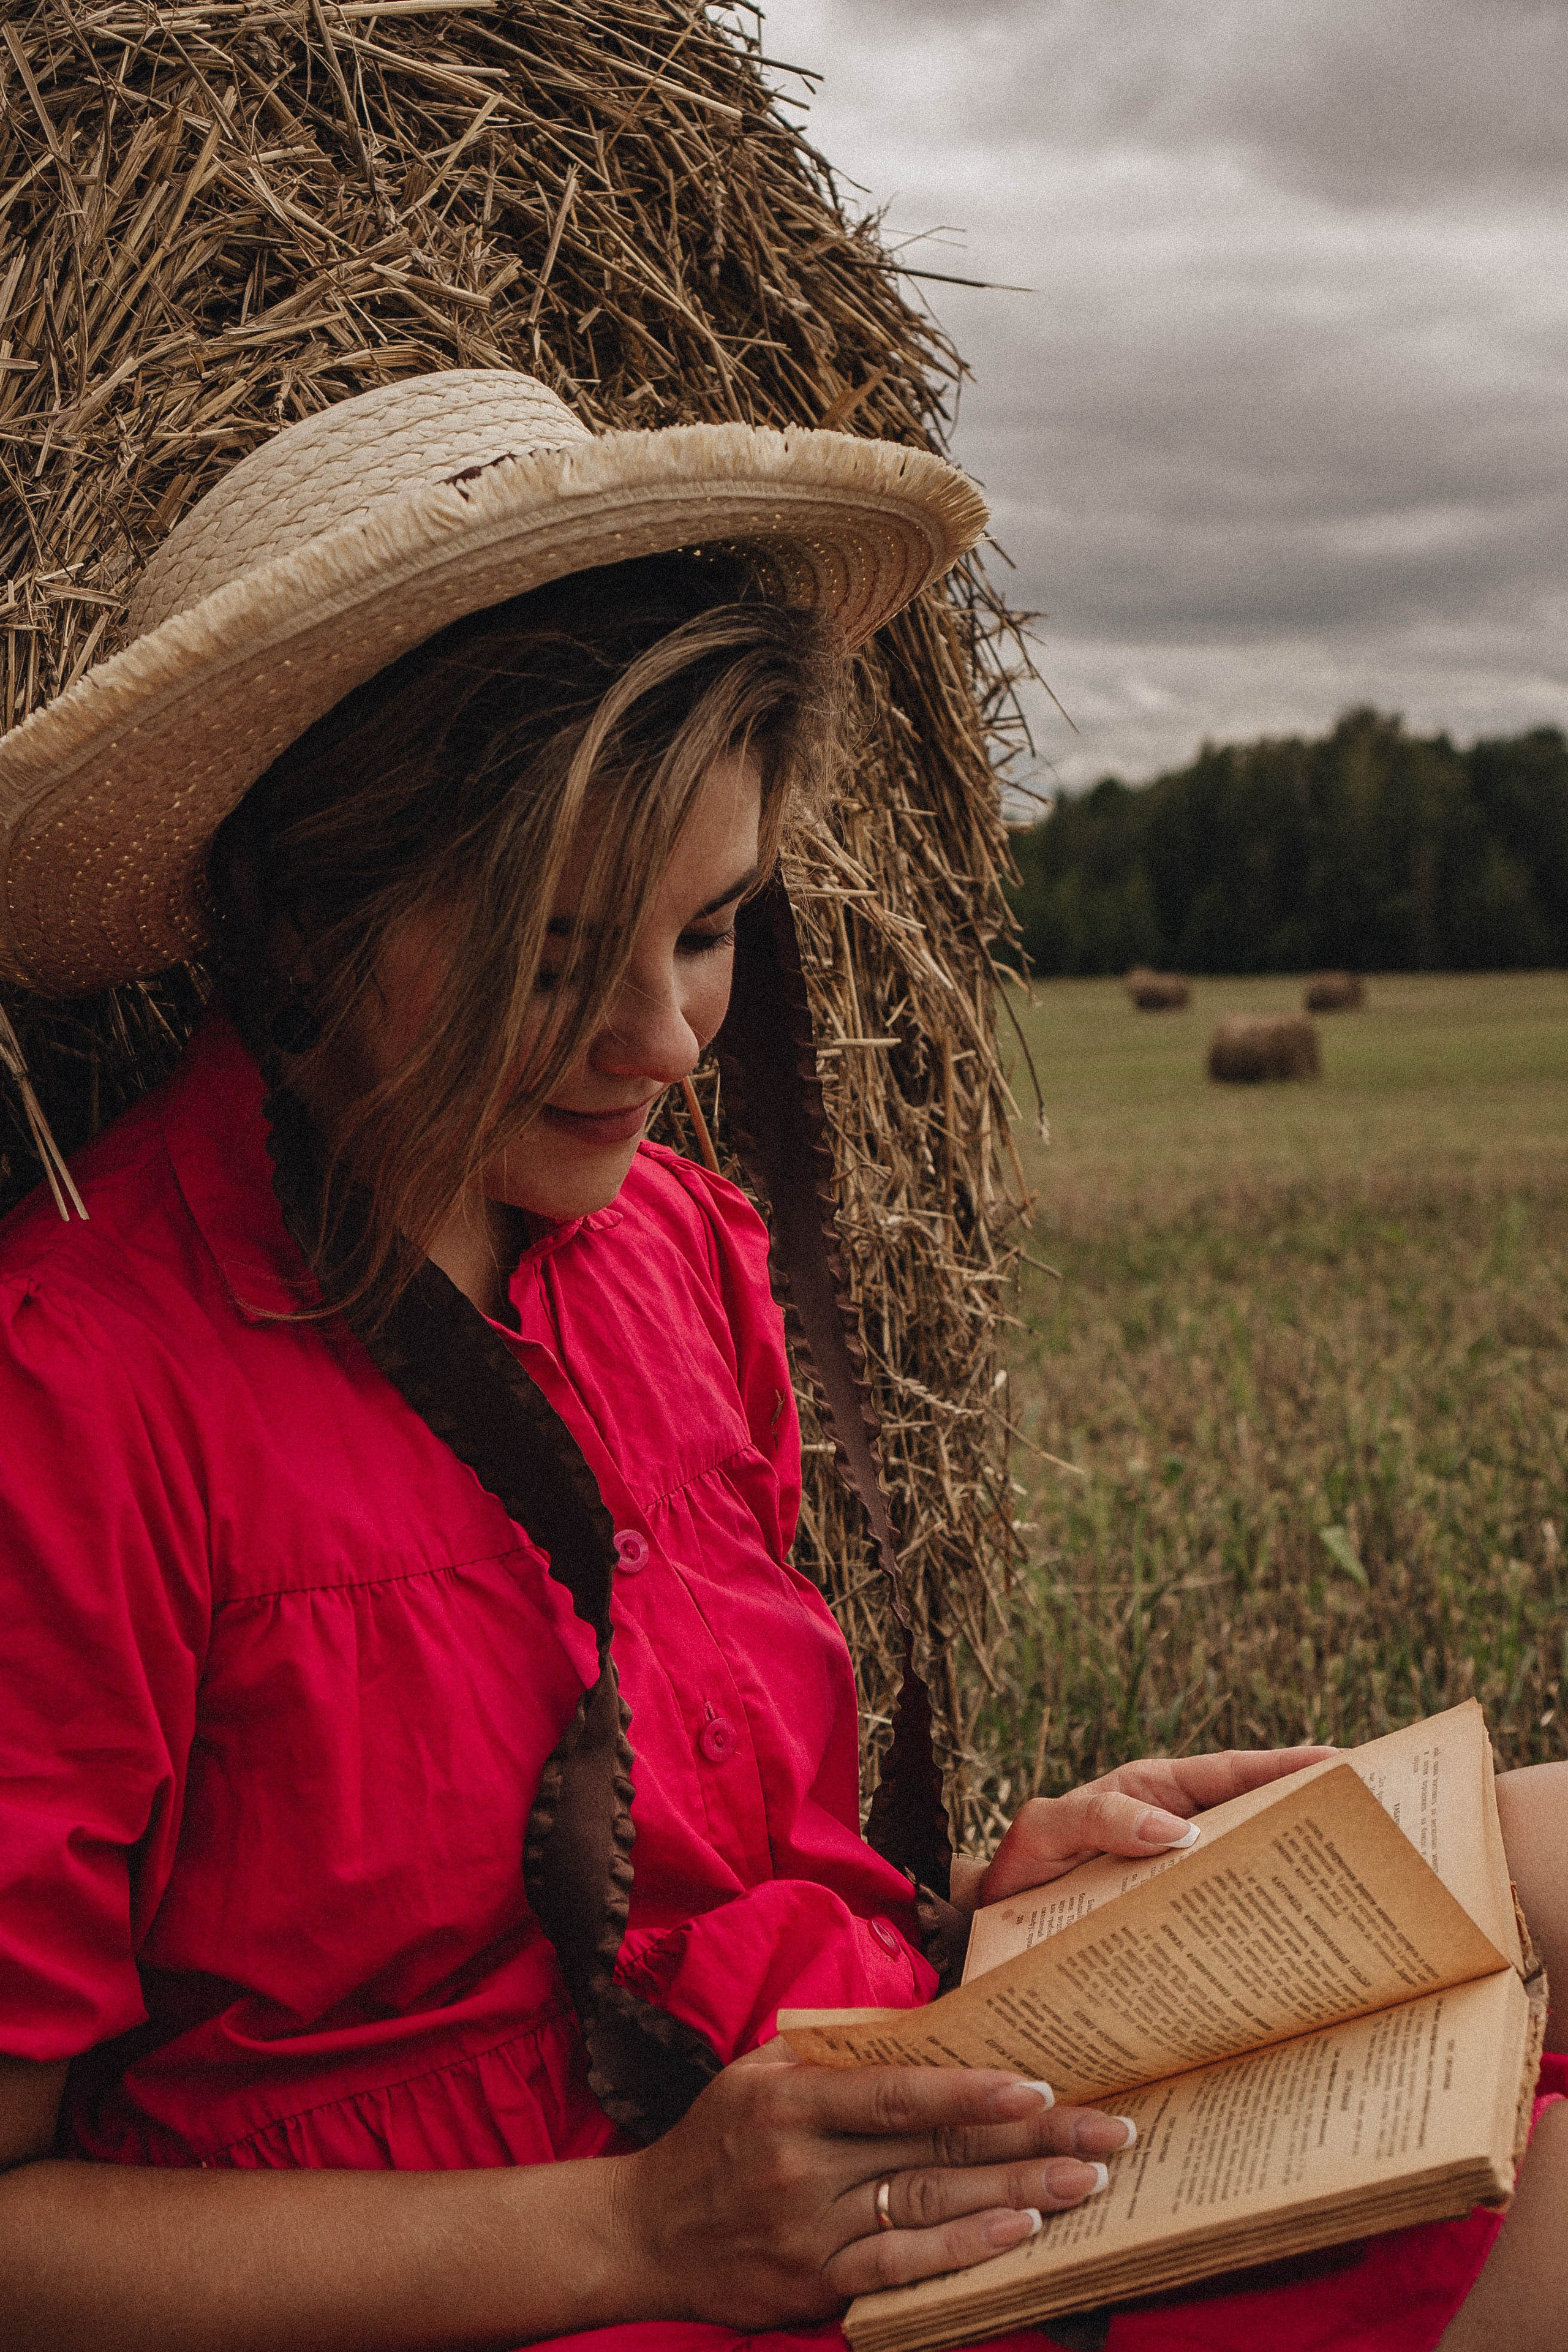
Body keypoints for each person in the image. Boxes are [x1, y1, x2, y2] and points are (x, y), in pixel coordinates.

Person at [0, 371, 1564, 2352]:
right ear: (305, 917)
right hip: (540, 2285)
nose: (665, 1040)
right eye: (559, 957)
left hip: (843, 2122)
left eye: (714, 930)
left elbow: (687, 1875)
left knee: (1530, 1867)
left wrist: (998, 1913)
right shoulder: (81, 1394)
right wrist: (640, 2238)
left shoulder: (674, 1253)